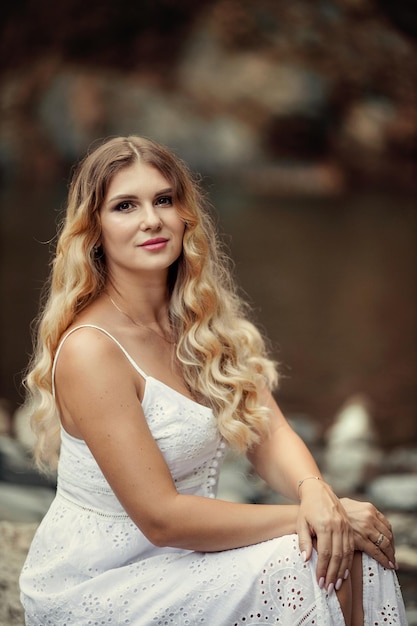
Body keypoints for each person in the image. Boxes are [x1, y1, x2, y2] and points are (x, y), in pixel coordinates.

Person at [19, 135, 408, 626]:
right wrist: (312, 518)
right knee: (312, 555)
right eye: (125, 206)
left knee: (351, 551)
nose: (152, 220)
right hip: (104, 581)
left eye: (163, 199)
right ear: (94, 229)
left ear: (185, 213)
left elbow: (270, 432)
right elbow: (162, 519)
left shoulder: (199, 323)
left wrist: (315, 492)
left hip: (187, 559)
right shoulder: (92, 351)